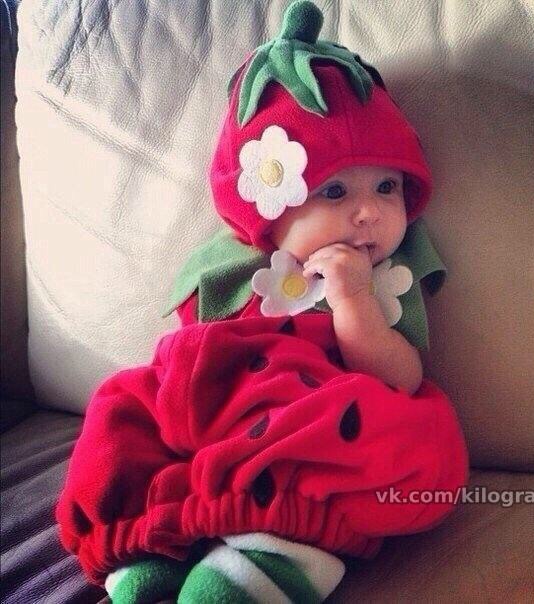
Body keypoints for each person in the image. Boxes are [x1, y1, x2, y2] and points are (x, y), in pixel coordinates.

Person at [55, 2, 469, 603]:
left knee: (421, 435)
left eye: (388, 186)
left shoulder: (385, 278)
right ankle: (148, 543)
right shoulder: (228, 267)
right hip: (213, 417)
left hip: (309, 428)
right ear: (266, 210)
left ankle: (273, 557)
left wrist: (354, 301)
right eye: (334, 191)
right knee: (121, 408)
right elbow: (183, 356)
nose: (369, 212)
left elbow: (400, 379)